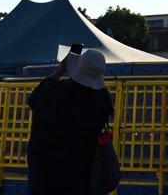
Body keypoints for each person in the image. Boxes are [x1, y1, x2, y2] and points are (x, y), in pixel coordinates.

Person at [26, 49, 113, 195]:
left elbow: (34, 100)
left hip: (44, 168)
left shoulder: (54, 91)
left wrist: (60, 70)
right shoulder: (101, 100)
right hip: (82, 171)